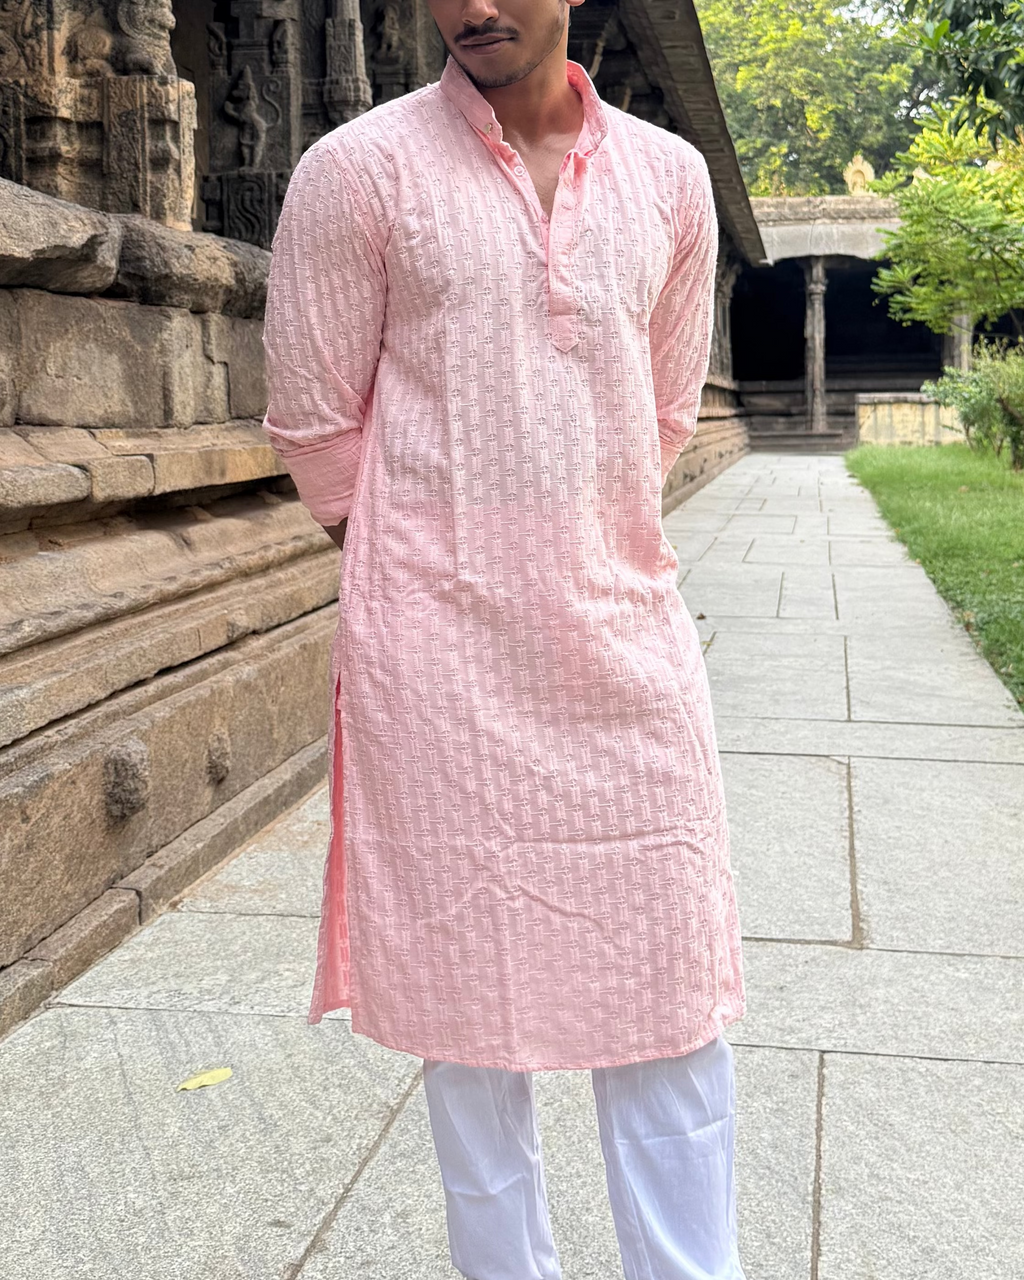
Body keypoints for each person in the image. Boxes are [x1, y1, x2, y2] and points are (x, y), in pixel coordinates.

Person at [260, 1, 748, 1276]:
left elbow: (658, 410)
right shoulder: (355, 171)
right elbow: (316, 428)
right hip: (439, 664)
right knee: (470, 1019)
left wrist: (568, 549)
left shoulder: (669, 178)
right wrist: (439, 575)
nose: (474, 6)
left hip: (623, 640)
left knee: (670, 991)